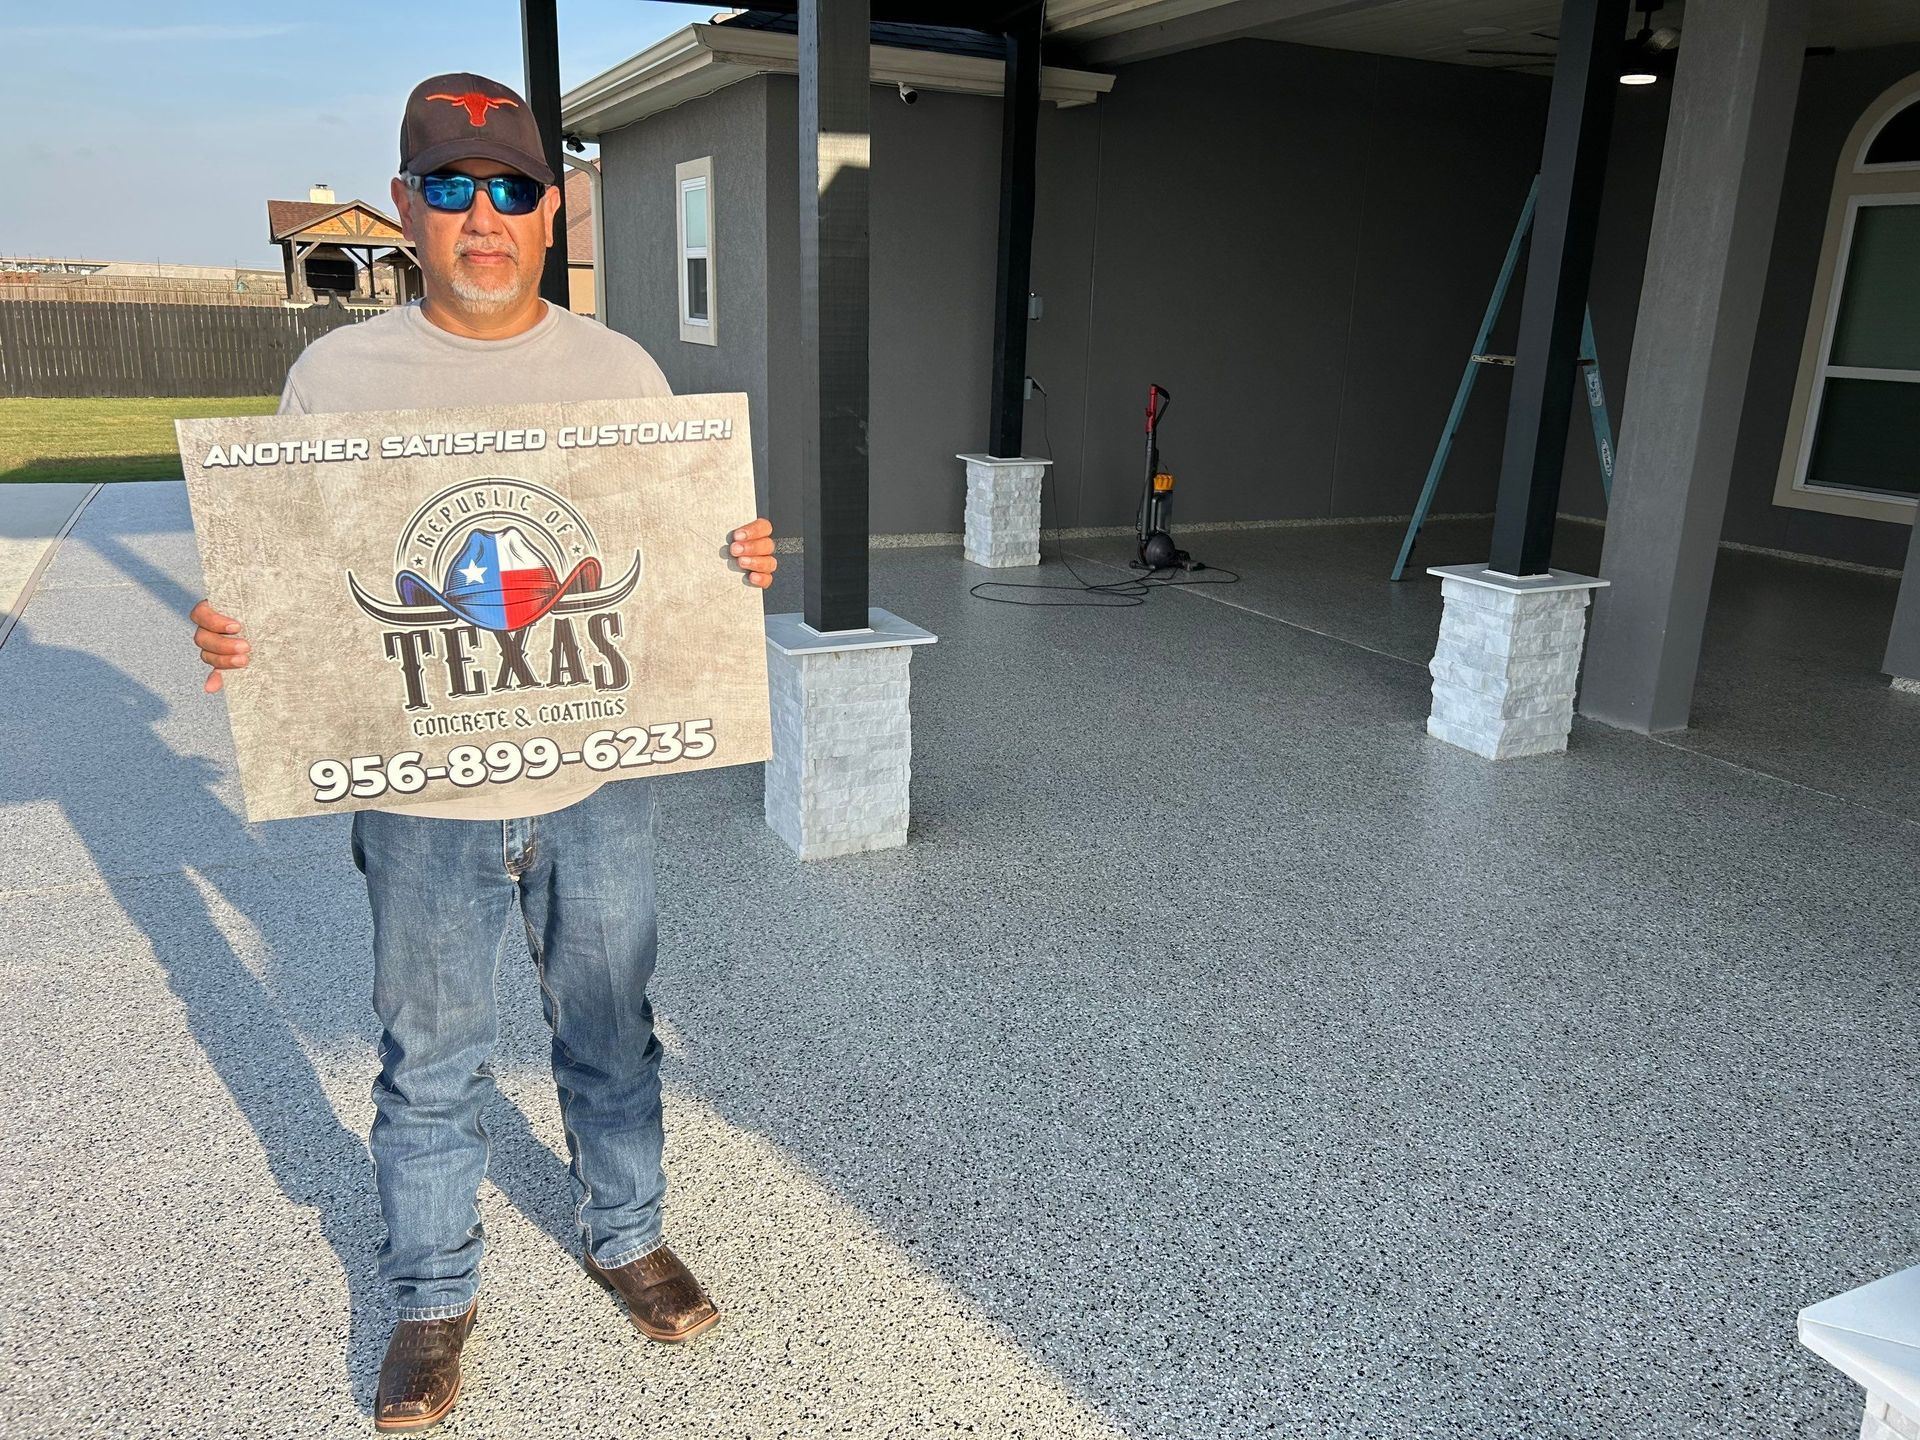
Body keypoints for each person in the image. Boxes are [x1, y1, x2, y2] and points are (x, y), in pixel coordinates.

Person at [187, 73, 776, 1433]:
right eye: (449, 189)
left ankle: (626, 1236)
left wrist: (730, 559)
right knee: (430, 1059)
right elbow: (283, 578)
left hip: (593, 784)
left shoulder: (619, 370)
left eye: (510, 188)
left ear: (551, 207)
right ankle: (432, 1296)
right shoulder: (333, 376)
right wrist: (238, 632)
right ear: (406, 210)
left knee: (612, 1032)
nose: (483, 216)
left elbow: (668, 563)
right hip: (419, 795)